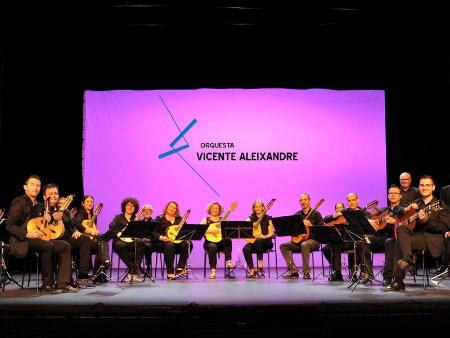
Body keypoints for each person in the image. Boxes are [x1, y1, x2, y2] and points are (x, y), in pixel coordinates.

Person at [6, 175, 77, 293]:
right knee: (48, 246)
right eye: (32, 185)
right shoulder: (19, 201)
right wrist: (27, 234)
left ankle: (62, 283)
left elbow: (40, 224)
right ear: (25, 187)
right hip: (22, 240)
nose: (35, 187)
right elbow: (9, 225)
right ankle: (47, 285)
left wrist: (48, 219)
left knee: (65, 245)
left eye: (38, 185)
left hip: (39, 238)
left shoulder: (40, 205)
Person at [382, 175, 450, 291]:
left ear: (433, 187)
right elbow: (396, 208)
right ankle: (407, 258)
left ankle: (398, 280)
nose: (424, 187)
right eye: (422, 185)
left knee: (398, 241)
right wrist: (406, 209)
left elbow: (443, 227)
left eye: (428, 185)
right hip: (414, 237)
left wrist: (426, 220)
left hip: (431, 239)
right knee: (401, 229)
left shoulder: (440, 205)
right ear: (419, 187)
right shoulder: (415, 202)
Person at [322, 193, 373, 282]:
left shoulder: (365, 213)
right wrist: (335, 215)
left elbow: (370, 227)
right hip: (347, 240)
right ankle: (337, 272)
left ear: (358, 200)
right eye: (349, 200)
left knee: (359, 244)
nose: (351, 202)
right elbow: (325, 219)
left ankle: (354, 272)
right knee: (336, 244)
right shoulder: (344, 212)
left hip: (359, 240)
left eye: (353, 200)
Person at [368, 185, 406, 286]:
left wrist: (395, 221)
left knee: (390, 241)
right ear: (388, 196)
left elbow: (407, 224)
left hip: (395, 237)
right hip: (381, 237)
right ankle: (367, 274)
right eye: (390, 193)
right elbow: (369, 218)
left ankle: (387, 277)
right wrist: (370, 220)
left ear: (400, 196)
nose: (392, 195)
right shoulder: (384, 210)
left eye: (395, 193)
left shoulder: (404, 209)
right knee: (364, 240)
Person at [279, 194, 324, 279]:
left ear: (309, 200)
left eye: (305, 199)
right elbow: (292, 231)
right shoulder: (297, 215)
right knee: (283, 245)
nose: (303, 202)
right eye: (301, 200)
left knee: (305, 244)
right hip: (299, 242)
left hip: (313, 241)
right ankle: (293, 271)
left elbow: (321, 230)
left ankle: (306, 272)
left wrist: (310, 225)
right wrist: (295, 234)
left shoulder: (316, 214)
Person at [72, 195, 111, 283]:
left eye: (91, 202)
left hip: (90, 240)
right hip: (82, 241)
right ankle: (105, 263)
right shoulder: (80, 214)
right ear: (83, 203)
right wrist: (89, 230)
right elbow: (77, 223)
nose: (90, 203)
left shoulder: (93, 215)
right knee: (101, 244)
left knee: (102, 243)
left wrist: (94, 231)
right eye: (87, 201)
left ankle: (99, 273)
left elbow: (92, 230)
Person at [153, 201, 192, 280]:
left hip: (177, 243)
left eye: (174, 207)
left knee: (188, 243)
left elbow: (187, 232)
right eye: (170, 206)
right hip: (162, 243)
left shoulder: (179, 219)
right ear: (166, 207)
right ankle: (170, 272)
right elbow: (152, 232)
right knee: (170, 245)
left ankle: (179, 269)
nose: (172, 209)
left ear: (176, 210)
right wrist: (161, 237)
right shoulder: (159, 218)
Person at [109, 197, 145, 282]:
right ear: (124, 207)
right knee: (120, 245)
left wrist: (138, 224)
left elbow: (141, 232)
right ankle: (133, 267)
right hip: (120, 241)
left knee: (140, 242)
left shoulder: (137, 218)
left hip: (132, 241)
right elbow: (111, 226)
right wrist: (127, 226)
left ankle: (135, 268)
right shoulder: (118, 217)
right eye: (128, 205)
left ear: (135, 208)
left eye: (133, 206)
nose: (130, 207)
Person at [201, 202, 234, 279]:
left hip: (220, 243)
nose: (215, 209)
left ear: (219, 210)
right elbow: (201, 230)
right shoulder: (206, 220)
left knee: (228, 240)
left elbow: (228, 231)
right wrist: (211, 231)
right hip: (209, 243)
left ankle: (228, 261)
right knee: (212, 246)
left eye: (217, 208)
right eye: (213, 208)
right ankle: (213, 271)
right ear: (210, 209)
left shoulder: (223, 219)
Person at [243, 200, 274, 278]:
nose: (258, 208)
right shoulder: (250, 218)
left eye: (260, 206)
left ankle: (260, 262)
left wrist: (264, 236)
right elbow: (244, 229)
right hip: (255, 242)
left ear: (263, 207)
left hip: (266, 242)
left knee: (259, 240)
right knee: (245, 248)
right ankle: (252, 269)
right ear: (253, 208)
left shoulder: (268, 218)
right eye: (256, 207)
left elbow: (271, 233)